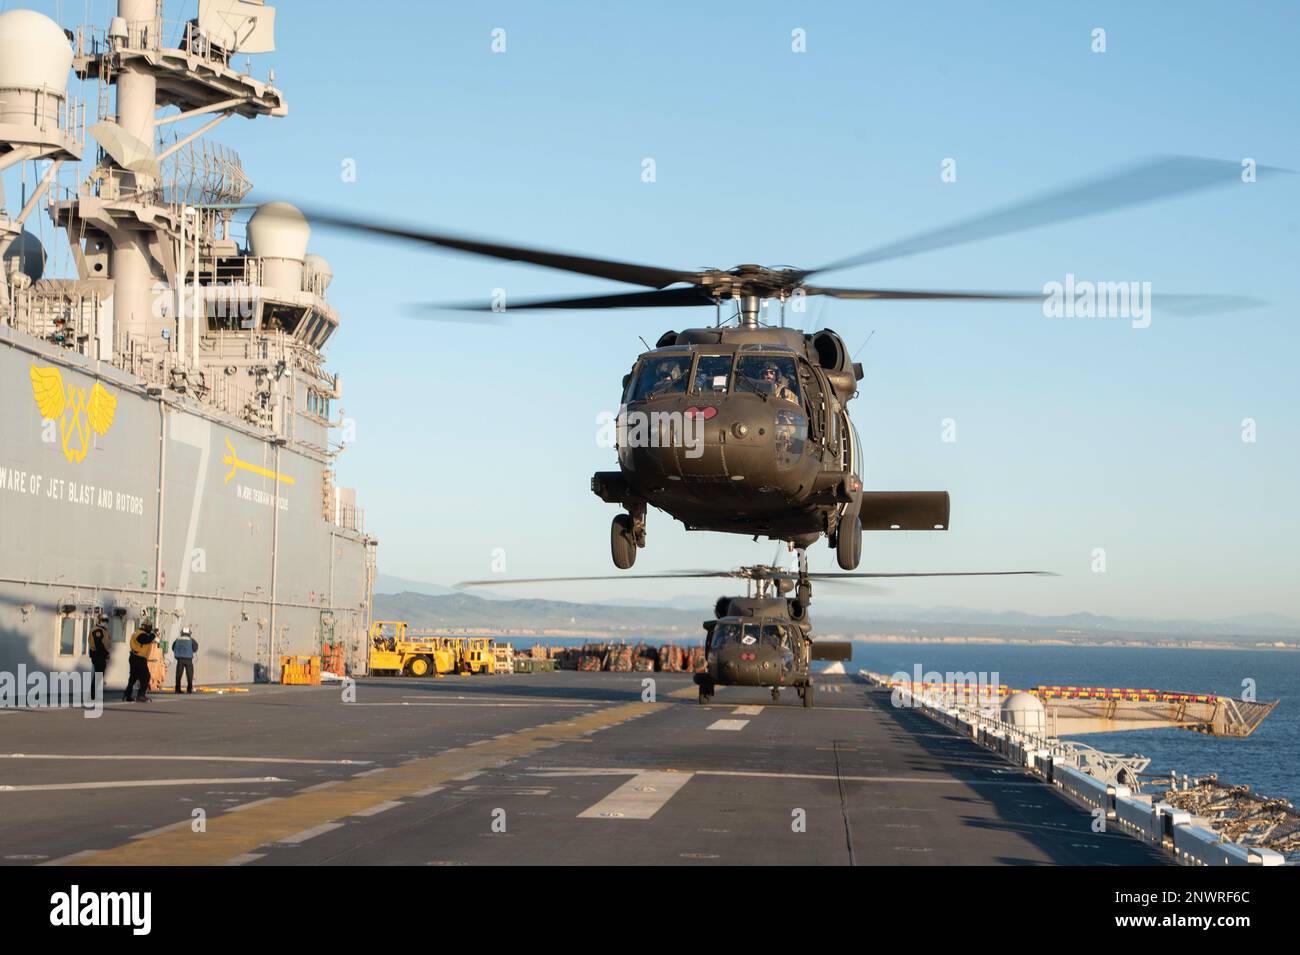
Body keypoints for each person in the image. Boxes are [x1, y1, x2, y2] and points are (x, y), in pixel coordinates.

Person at [123, 621, 157, 703]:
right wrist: (153, 635)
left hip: (136, 657)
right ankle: (141, 696)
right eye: (149, 627)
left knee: (133, 677)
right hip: (139, 658)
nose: (150, 629)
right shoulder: (141, 634)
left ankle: (127, 695)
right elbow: (145, 640)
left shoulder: (139, 633)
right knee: (145, 677)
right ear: (146, 627)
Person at [87, 615, 111, 702]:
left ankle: (94, 695)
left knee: (99, 675)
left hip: (100, 655)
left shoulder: (102, 630)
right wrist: (106, 653)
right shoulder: (97, 630)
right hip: (98, 655)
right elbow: (99, 645)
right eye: (104, 620)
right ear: (99, 620)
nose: (105, 622)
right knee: (98, 675)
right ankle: (93, 695)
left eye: (106, 620)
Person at [172, 626, 198, 694]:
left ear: (182, 632)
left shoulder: (177, 639)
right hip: (188, 659)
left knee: (178, 675)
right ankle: (189, 689)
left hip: (180, 659)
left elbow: (173, 648)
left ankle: (177, 690)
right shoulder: (191, 640)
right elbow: (195, 648)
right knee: (189, 675)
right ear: (189, 633)